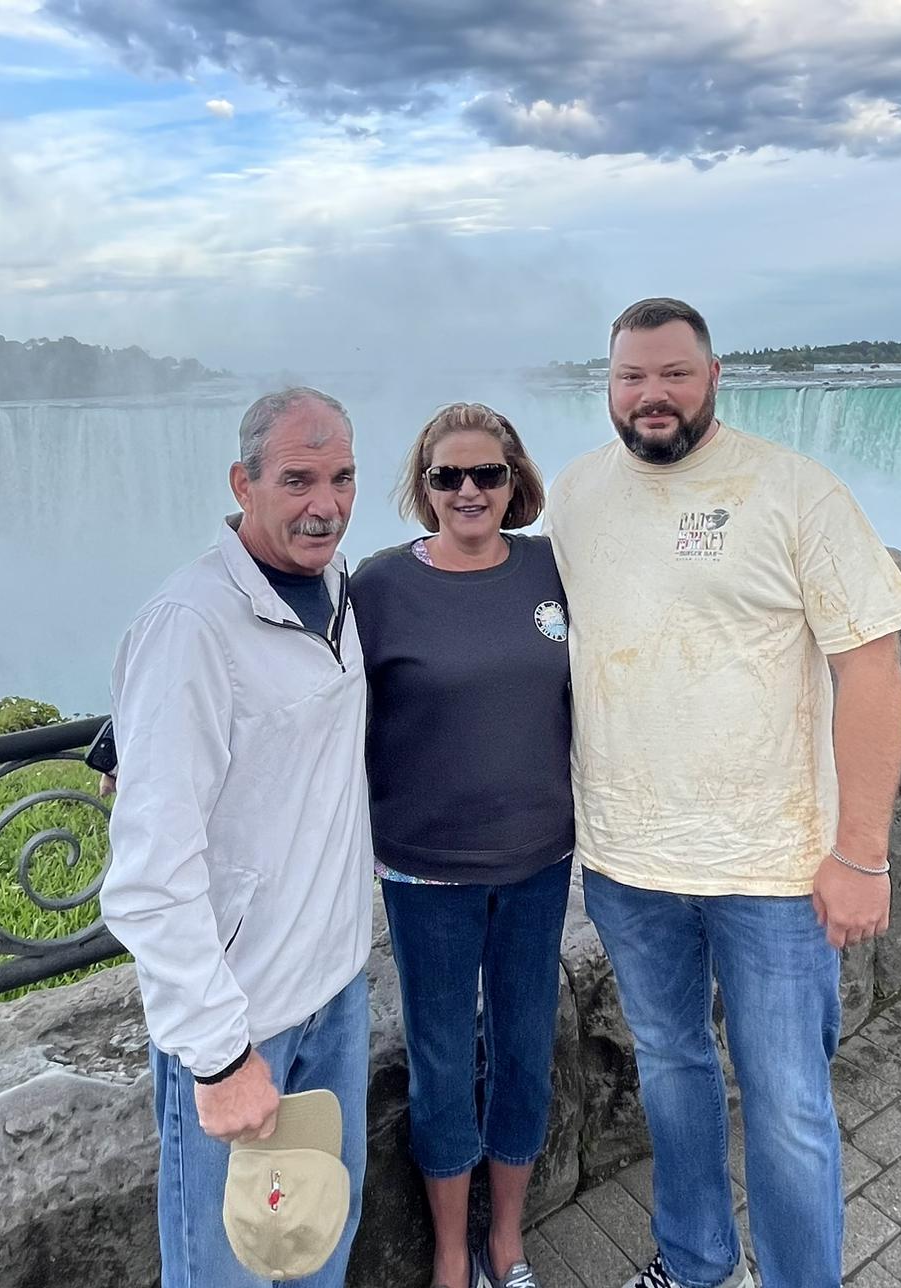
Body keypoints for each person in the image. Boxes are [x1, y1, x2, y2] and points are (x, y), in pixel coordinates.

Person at [545, 299, 901, 1288]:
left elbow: (872, 668)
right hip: (628, 861)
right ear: (610, 384)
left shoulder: (791, 490)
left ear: (713, 375)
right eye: (633, 376)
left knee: (788, 1100)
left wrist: (860, 850)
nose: (652, 394)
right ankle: (696, 1262)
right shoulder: (579, 495)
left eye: (674, 373)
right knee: (671, 1073)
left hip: (775, 866)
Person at [100, 387, 373, 1288]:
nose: (324, 504)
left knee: (315, 1247)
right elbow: (149, 879)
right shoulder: (192, 626)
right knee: (228, 1272)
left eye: (341, 479)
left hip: (334, 991)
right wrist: (219, 1058)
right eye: (297, 479)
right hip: (244, 1022)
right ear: (242, 483)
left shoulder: (334, 592)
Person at [351, 403, 574, 1288]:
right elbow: (293, 677)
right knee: (442, 1066)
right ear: (424, 488)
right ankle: (450, 1255)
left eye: (488, 474)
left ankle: (505, 1241)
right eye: (450, 476)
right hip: (425, 870)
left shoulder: (554, 568)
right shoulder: (378, 585)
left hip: (539, 862)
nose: (470, 490)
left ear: (515, 481)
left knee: (525, 1052)